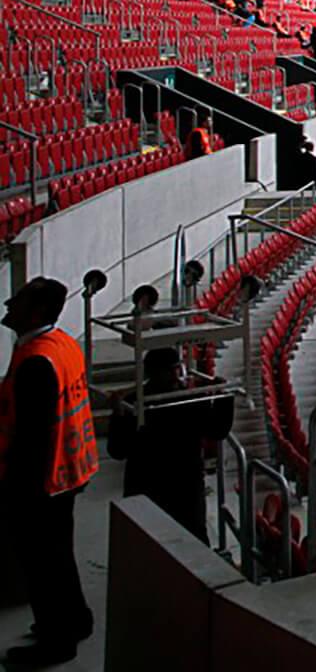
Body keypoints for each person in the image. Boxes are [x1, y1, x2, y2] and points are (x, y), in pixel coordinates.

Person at [0, 277, 100, 666]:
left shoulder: (36, 362)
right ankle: (76, 620)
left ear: (36, 312)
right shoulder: (62, 344)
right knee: (59, 556)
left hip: (41, 481)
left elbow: (32, 438)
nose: (9, 304)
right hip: (69, 471)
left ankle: (56, 641)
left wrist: (14, 487)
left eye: (19, 300)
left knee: (42, 564)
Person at [106, 348, 233, 542]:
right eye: (172, 369)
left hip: (148, 487)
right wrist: (223, 397)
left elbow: (117, 450)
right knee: (189, 543)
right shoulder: (189, 399)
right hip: (183, 489)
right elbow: (218, 429)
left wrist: (117, 415)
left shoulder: (133, 403)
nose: (176, 374)